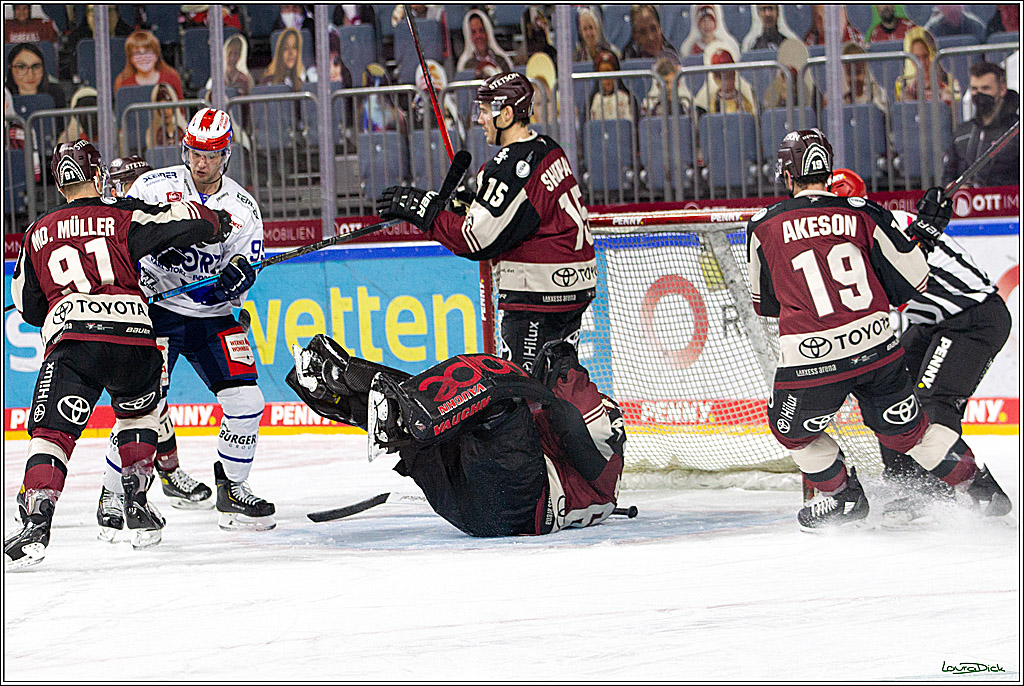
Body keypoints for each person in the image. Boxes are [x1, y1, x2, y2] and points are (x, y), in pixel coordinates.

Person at [745, 128, 1010, 530]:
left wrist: (923, 235)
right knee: (911, 430)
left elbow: (766, 305)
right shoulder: (867, 214)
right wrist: (924, 236)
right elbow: (910, 283)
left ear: (786, 174)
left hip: (824, 355)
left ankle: (846, 497)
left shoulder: (764, 224)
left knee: (793, 433)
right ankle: (978, 488)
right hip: (878, 346)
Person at [4, 140, 231, 568]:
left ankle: (37, 521)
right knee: (139, 417)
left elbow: (29, 309)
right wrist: (216, 222)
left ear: (57, 182)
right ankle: (138, 503)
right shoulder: (123, 215)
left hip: (74, 346)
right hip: (133, 340)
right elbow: (189, 221)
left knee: (52, 436)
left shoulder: (37, 232)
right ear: (97, 176)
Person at [96, 108, 274, 535]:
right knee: (142, 404)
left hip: (211, 317)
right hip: (157, 311)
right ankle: (112, 492)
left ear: (226, 156)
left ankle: (232, 489)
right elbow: (119, 239)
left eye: (211, 156)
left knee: (247, 403)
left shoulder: (243, 207)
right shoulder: (153, 188)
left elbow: (242, 275)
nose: (201, 163)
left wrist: (236, 277)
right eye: (194, 153)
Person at [288, 335, 625, 537]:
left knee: (495, 386)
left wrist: (539, 389)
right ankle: (331, 391)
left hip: (520, 500)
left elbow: (569, 421)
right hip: (483, 510)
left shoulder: (604, 415)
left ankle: (381, 413)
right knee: (437, 408)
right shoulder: (570, 430)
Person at [377, 73, 596, 373]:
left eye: (484, 110)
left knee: (522, 393)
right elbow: (524, 216)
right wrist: (467, 203)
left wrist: (423, 210)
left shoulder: (507, 168)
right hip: (575, 289)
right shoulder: (548, 148)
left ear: (506, 114)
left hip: (536, 298)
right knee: (559, 384)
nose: (478, 119)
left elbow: (474, 239)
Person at [828, 167, 1013, 522]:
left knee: (932, 402)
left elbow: (899, 274)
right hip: (932, 322)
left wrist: (924, 230)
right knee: (887, 391)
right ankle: (906, 486)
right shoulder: (849, 238)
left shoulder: (887, 224)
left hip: (972, 319)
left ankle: (972, 491)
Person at [943, 61, 1019, 188]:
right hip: (968, 203)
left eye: (985, 88)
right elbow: (948, 175)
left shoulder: (1016, 131)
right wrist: (953, 186)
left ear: (1002, 90)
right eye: (974, 89)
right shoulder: (962, 132)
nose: (979, 94)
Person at [58, 5, 134, 82]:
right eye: (93, 12)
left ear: (117, 15)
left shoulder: (132, 39)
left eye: (109, 11)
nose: (101, 17)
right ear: (87, 17)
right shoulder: (75, 42)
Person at [114, 29, 184, 99]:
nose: (143, 58)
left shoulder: (171, 79)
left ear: (157, 55)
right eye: (137, 54)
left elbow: (180, 108)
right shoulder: (124, 84)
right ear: (130, 59)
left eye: (148, 52)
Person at [895, 27, 958, 105]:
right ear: (911, 61)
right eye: (917, 58)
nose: (922, 62)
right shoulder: (909, 91)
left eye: (925, 57)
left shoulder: (946, 85)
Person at [694, 42, 757, 114]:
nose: (725, 79)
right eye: (720, 76)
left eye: (728, 74)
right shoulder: (706, 102)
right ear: (714, 77)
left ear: (734, 73)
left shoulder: (744, 98)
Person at [6, 43, 66, 108]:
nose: (30, 75)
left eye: (36, 66)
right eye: (21, 67)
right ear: (10, 68)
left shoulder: (55, 93)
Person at [456, 9, 513, 78]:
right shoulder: (465, 65)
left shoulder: (502, 60)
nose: (478, 36)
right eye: (473, 32)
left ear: (487, 32)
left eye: (481, 30)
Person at [588, 50, 637, 122]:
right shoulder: (592, 101)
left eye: (609, 72)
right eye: (603, 73)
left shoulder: (626, 98)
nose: (607, 79)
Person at [204, 34, 255, 98]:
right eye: (230, 53)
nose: (232, 58)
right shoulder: (216, 78)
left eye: (236, 54)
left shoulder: (246, 79)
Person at [145, 82, 188, 149]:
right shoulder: (151, 135)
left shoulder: (184, 129)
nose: (165, 112)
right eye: (162, 108)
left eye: (168, 107)